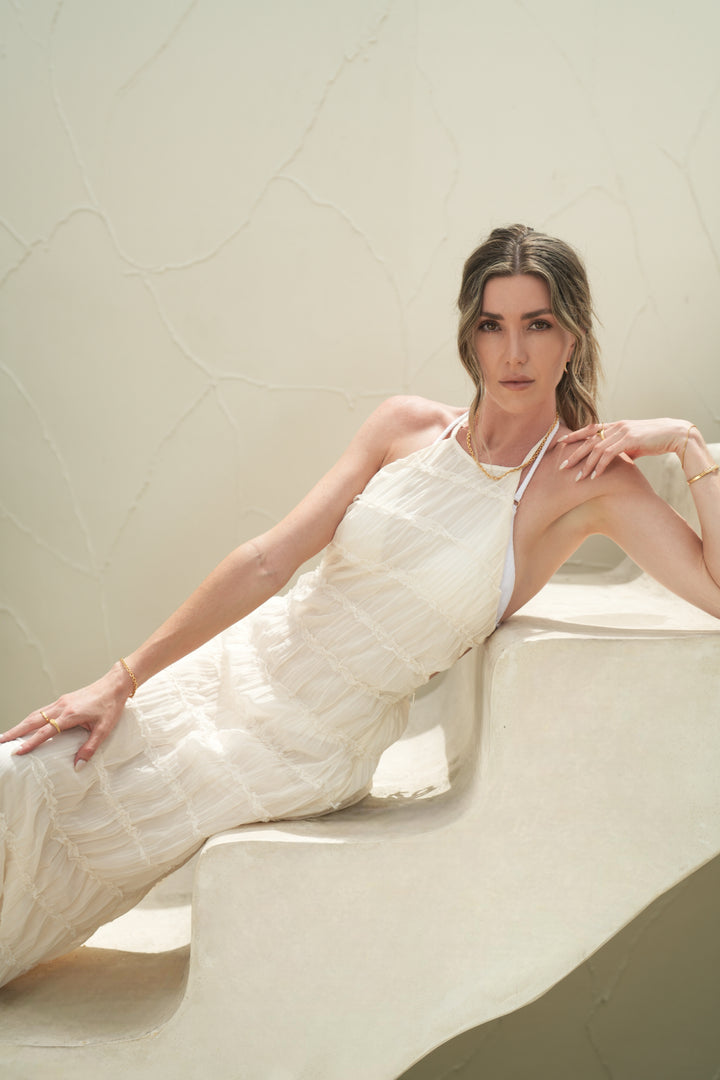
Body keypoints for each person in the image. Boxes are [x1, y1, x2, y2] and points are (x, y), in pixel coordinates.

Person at [1, 224, 719, 988]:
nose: (514, 352)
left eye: (537, 325)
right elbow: (269, 559)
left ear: (571, 336)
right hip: (238, 670)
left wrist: (686, 441)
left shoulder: (585, 483)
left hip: (308, 743)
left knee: (79, 831)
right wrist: (121, 678)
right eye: (492, 325)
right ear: (469, 337)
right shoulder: (405, 426)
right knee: (20, 772)